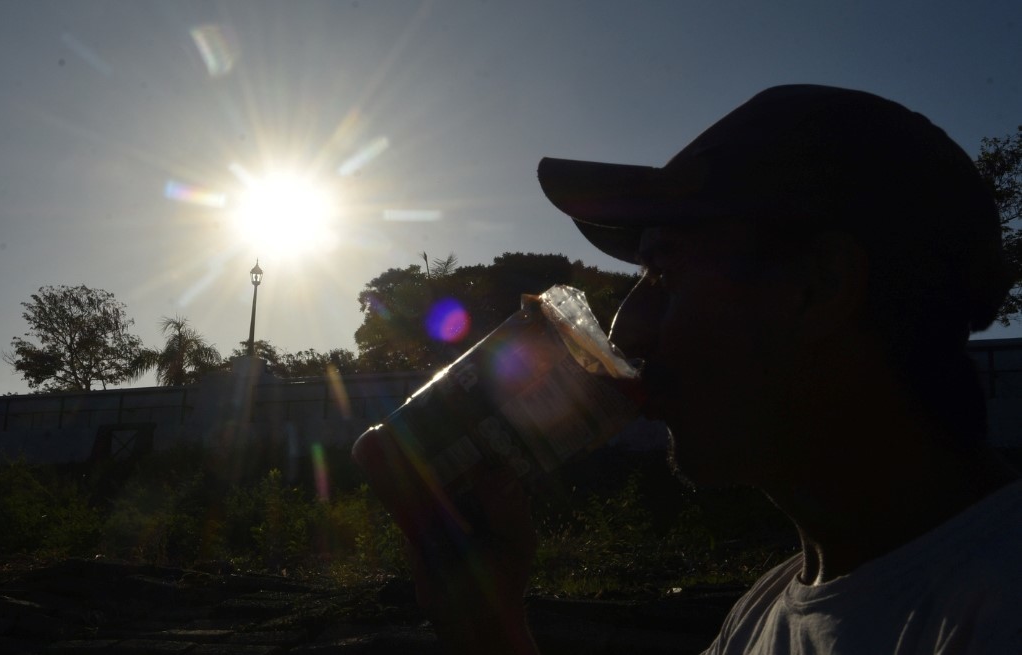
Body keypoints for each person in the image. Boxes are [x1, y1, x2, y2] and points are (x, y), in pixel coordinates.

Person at [409, 85, 1022, 653]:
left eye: (665, 272)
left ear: (818, 286)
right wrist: (487, 627)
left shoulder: (993, 611)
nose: (628, 329)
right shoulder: (765, 613)